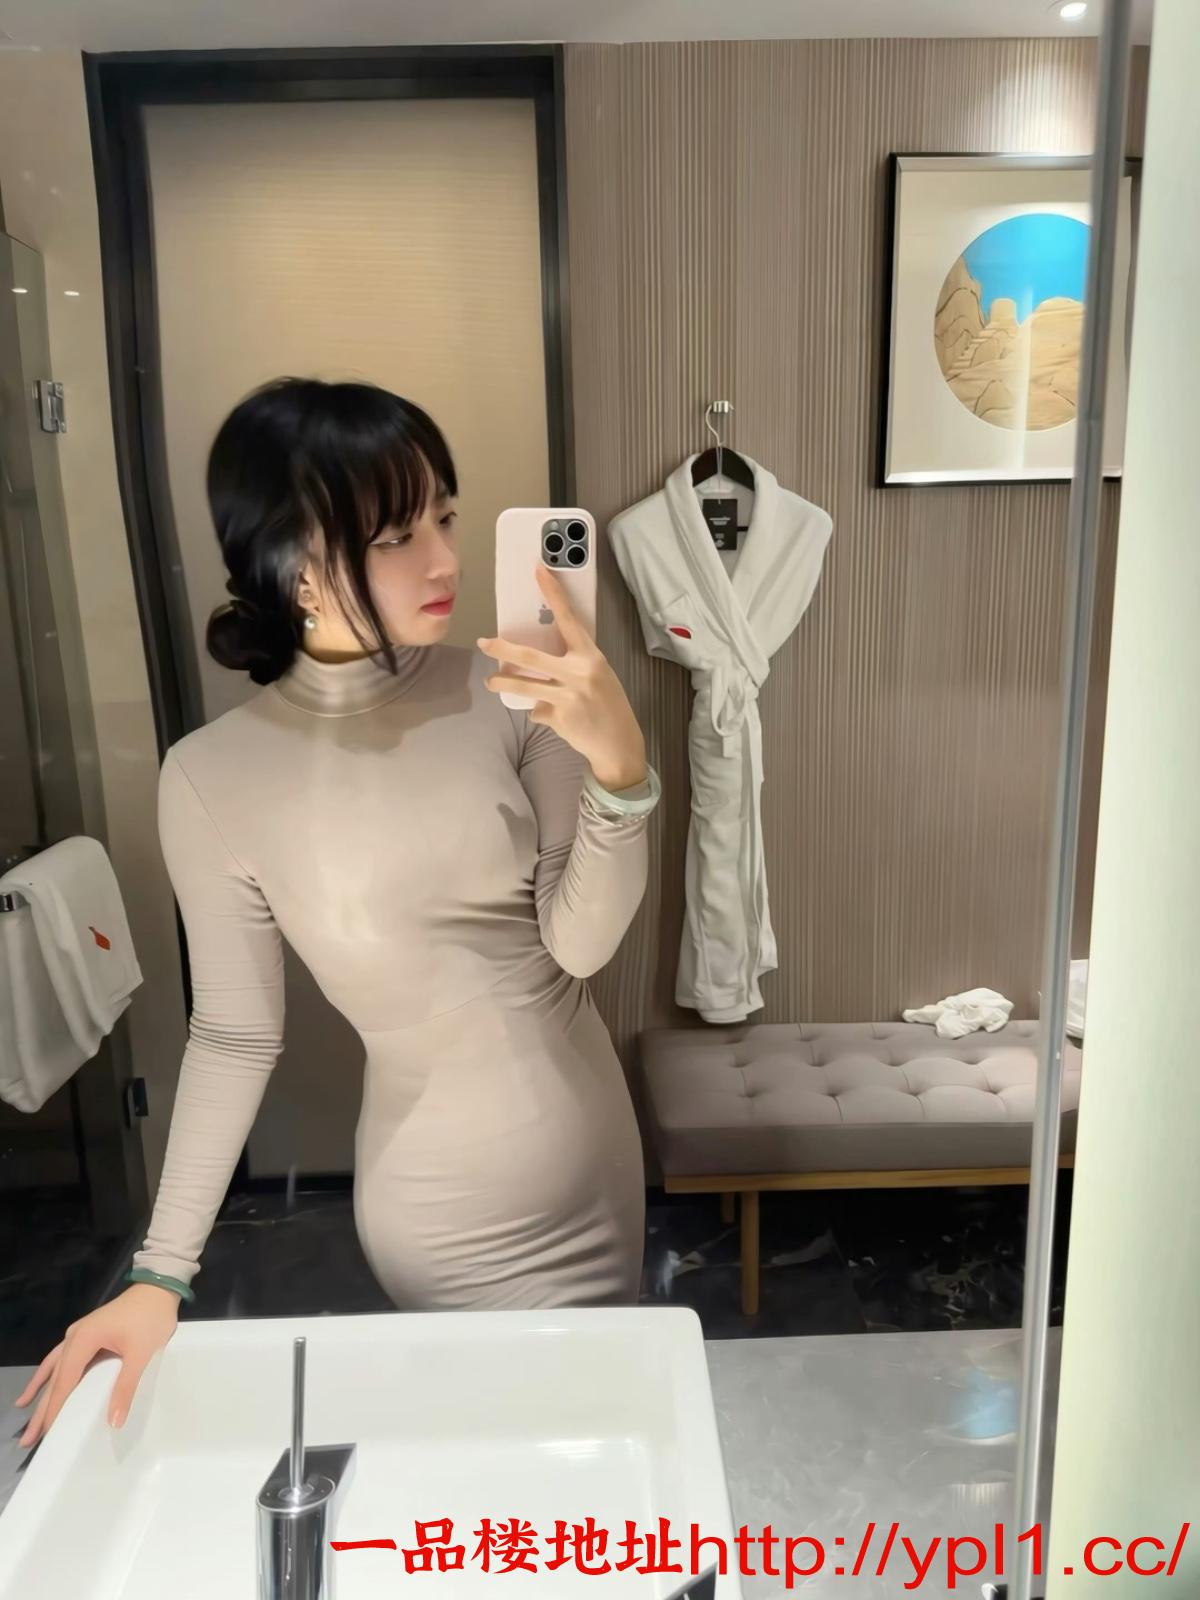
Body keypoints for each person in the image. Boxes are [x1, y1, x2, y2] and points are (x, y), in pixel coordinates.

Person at [17, 377, 660, 1448]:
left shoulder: (516, 696)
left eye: (446, 517)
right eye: (397, 536)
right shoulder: (212, 776)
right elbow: (234, 1032)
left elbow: (581, 944)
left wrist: (622, 773)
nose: (444, 559)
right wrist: (159, 1272)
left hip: (597, 1159)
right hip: (445, 1206)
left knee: (593, 1455)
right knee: (494, 1458)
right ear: (294, 563)